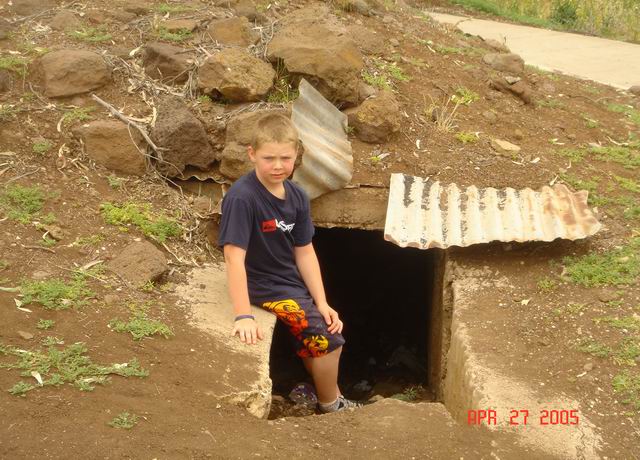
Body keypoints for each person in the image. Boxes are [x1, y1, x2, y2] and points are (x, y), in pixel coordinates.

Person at [218, 113, 361, 413]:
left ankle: (330, 395)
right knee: (330, 340)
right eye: (269, 158)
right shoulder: (243, 198)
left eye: (285, 158)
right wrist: (243, 315)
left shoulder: (297, 196)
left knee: (320, 332)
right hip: (261, 285)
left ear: (296, 155)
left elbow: (305, 252)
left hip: (288, 283)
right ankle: (330, 405)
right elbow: (233, 257)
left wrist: (322, 302)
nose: (278, 166)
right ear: (252, 154)